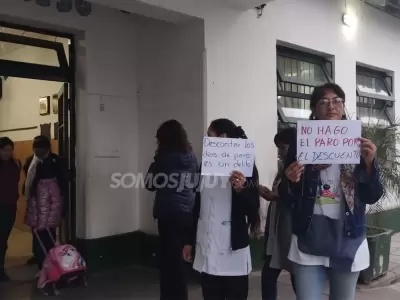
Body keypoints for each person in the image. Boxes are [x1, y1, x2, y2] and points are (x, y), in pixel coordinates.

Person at [279, 83, 383, 300]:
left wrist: (370, 165)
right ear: (314, 110)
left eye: (337, 101)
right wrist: (292, 181)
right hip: (309, 236)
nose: (331, 106)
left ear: (343, 107)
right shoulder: (301, 145)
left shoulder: (358, 144)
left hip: (348, 237)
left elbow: (373, 195)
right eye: (323, 102)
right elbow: (287, 197)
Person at [182, 118, 260, 300]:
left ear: (223, 137)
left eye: (210, 136)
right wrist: (189, 240)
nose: (207, 141)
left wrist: (241, 189)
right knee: (210, 294)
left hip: (233, 247)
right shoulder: (204, 166)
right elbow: (197, 205)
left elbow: (252, 206)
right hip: (206, 243)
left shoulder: (245, 165)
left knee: (235, 293)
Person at [145, 119, 198, 300]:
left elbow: (150, 184)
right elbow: (194, 182)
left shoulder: (164, 159)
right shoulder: (191, 157)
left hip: (168, 213)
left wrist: (155, 162)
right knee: (179, 262)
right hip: (187, 212)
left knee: (168, 263)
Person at [260, 128, 296, 300]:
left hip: (290, 231)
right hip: (275, 231)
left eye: (283, 147)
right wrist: (272, 195)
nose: (280, 152)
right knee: (268, 277)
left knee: (298, 279)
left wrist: (276, 196)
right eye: (279, 148)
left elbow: (295, 198)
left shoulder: (299, 169)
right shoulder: (283, 169)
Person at [23, 135, 66, 273]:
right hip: (35, 204)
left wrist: (61, 208)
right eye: (35, 147)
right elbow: (29, 183)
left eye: (42, 147)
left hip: (50, 206)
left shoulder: (56, 161)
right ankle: (38, 257)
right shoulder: (30, 161)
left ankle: (47, 261)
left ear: (48, 148)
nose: (38, 150)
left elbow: (62, 186)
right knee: (36, 231)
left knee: (48, 233)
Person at [0, 137, 21, 281]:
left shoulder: (16, 164)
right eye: (4, 150)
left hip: (9, 206)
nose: (7, 153)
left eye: (10, 149)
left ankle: (1, 269)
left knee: (3, 239)